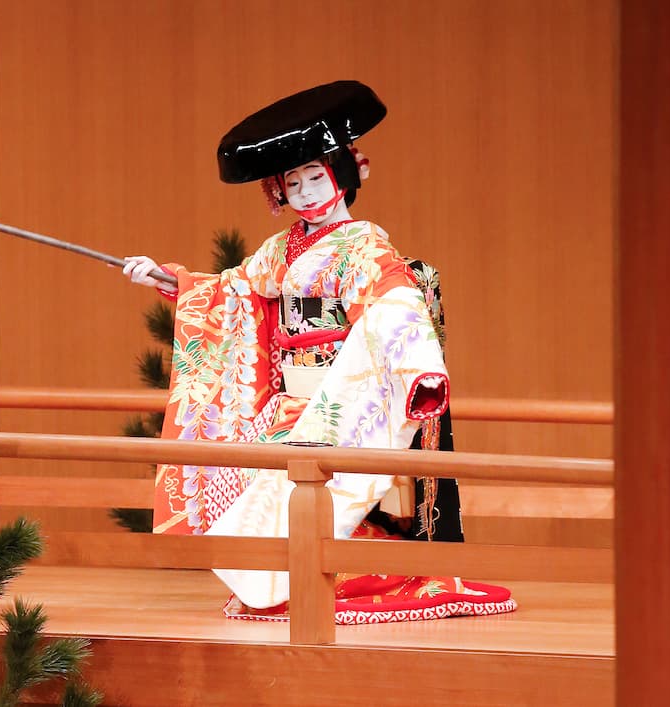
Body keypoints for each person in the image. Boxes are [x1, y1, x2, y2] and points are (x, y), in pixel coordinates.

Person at [123, 81, 515, 624]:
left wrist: (416, 366)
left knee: (328, 489)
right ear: (278, 192)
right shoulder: (280, 249)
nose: (305, 193)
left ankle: (352, 572)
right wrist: (171, 280)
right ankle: (281, 578)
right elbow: (234, 291)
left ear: (344, 174)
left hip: (340, 397)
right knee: (261, 486)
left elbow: (395, 300)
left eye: (315, 177)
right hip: (288, 399)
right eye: (293, 183)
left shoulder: (364, 244)